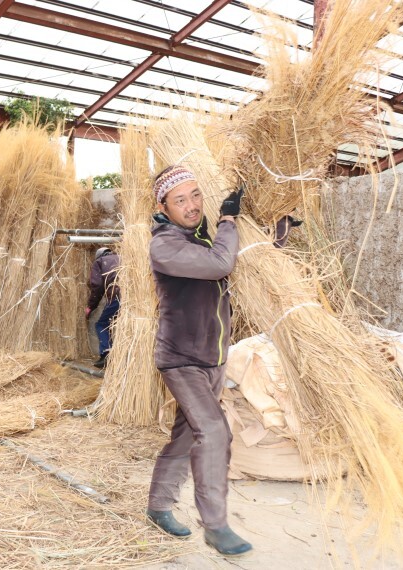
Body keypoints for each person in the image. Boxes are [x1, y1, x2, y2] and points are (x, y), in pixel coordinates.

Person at [145, 165, 252, 557]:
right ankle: (216, 525)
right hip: (181, 360)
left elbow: (244, 259)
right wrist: (228, 219)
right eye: (180, 200)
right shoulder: (165, 246)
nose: (191, 206)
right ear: (163, 206)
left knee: (187, 434)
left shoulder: (203, 236)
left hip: (213, 358)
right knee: (215, 431)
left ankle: (158, 506)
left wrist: (279, 228)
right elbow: (221, 264)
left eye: (195, 195)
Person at [85, 246, 120, 369]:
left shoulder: (99, 262)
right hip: (133, 298)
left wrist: (91, 306)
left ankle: (106, 355)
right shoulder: (121, 257)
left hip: (117, 295)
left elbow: (98, 286)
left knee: (101, 324)